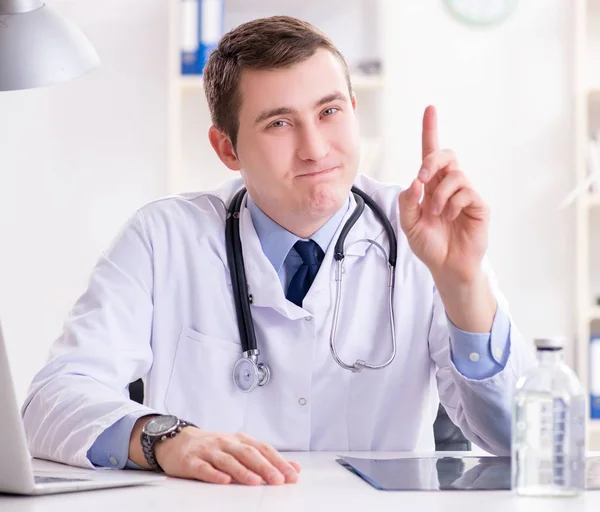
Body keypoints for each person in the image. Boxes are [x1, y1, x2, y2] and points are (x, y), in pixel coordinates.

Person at [21, 15, 535, 486]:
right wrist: (165, 438)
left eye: (329, 111)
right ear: (227, 148)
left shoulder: (425, 231)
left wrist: (464, 286)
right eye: (279, 123)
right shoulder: (164, 239)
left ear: (353, 112)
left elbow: (522, 442)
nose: (315, 147)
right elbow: (49, 402)